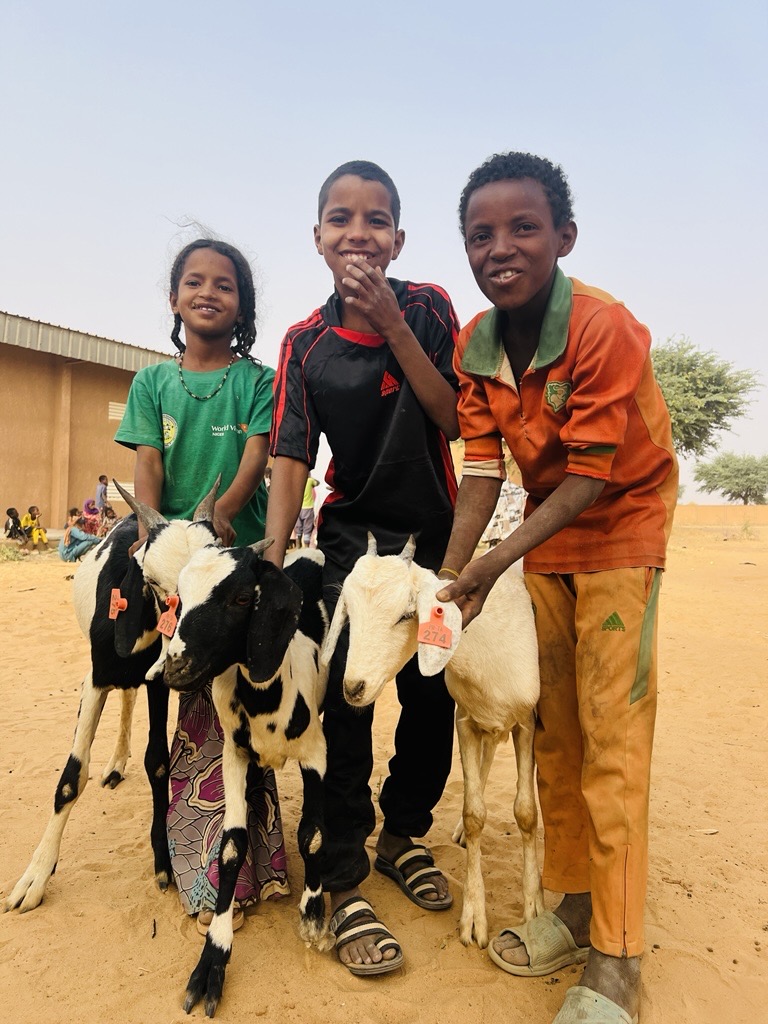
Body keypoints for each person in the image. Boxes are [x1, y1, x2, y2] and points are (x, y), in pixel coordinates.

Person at [435, 152, 678, 1024]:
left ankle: (617, 959)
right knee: (557, 735)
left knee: (613, 740)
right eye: (480, 234)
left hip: (620, 524)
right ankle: (574, 907)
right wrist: (452, 577)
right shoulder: (477, 343)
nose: (499, 248)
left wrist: (492, 566)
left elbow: (589, 477)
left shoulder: (604, 327)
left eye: (522, 228)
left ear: (563, 237)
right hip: (545, 533)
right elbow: (479, 470)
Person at [265, 160, 460, 976]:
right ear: (317, 238)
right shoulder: (304, 343)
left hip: (441, 542)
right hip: (353, 544)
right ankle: (341, 870)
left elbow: (454, 416)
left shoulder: (429, 306)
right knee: (348, 701)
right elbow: (289, 455)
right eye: (340, 219)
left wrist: (394, 325)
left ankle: (403, 834)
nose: (358, 234)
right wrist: (273, 566)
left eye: (375, 220)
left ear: (399, 238)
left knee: (432, 690)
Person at [115, 238, 289, 933]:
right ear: (174, 298)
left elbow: (255, 460)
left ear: (242, 304)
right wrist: (150, 537)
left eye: (225, 284)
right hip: (171, 565)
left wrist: (221, 515)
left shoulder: (257, 381)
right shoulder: (152, 384)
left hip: (232, 569)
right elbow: (149, 472)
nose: (208, 291)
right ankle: (203, 867)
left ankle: (258, 861)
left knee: (240, 710)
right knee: (185, 712)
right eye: (194, 281)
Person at [293, 474, 319, 547]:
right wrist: (311, 477)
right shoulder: (310, 480)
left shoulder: (297, 481)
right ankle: (306, 546)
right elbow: (317, 483)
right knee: (307, 527)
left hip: (298, 507)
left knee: (298, 527)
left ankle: (298, 545)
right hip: (308, 507)